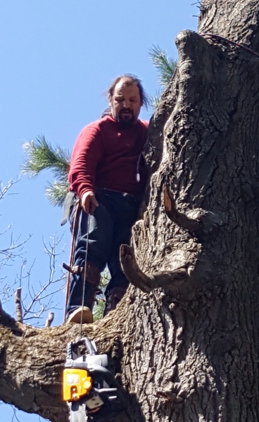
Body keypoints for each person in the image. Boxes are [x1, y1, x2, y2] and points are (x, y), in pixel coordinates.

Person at [64, 74, 149, 324]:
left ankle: (116, 311)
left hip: (131, 205)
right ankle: (78, 307)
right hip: (99, 198)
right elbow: (81, 163)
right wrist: (85, 190)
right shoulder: (98, 130)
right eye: (120, 99)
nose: (126, 105)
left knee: (126, 255)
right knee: (94, 242)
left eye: (132, 100)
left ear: (140, 103)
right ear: (111, 100)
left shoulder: (146, 132)